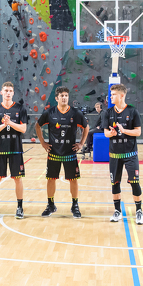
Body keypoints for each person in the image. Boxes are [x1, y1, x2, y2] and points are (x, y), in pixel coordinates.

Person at [35, 87, 88, 218]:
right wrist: (43, 143)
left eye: (66, 95)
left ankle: (75, 205)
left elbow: (86, 127)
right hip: (54, 152)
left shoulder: (75, 113)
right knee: (51, 179)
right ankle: (50, 205)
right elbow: (37, 125)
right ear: (57, 98)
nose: (64, 98)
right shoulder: (49, 112)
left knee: (73, 179)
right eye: (62, 96)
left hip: (70, 152)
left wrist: (81, 143)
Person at [102, 84, 143, 224]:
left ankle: (139, 211)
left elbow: (138, 132)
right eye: (111, 94)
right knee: (115, 183)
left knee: (135, 182)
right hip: (114, 155)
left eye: (113, 94)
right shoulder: (108, 112)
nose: (110, 97)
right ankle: (117, 211)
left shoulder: (132, 111)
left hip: (130, 154)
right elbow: (106, 133)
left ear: (121, 95)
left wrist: (124, 131)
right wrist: (111, 133)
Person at [0, 82, 28, 219]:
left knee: (18, 179)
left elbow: (23, 129)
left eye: (10, 91)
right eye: (5, 90)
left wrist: (10, 123)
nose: (8, 93)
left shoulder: (20, 109)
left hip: (15, 149)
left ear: (13, 93)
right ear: (1, 92)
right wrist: (3, 125)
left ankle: (20, 207)